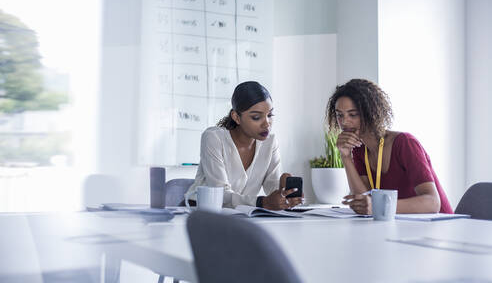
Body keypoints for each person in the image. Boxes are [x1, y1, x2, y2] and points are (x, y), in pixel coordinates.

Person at [326, 79, 453, 214]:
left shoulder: (405, 143)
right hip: (401, 227)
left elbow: (432, 203)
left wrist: (378, 206)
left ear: (371, 113)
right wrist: (345, 156)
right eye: (340, 115)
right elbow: (365, 203)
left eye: (353, 114)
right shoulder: (359, 149)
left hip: (438, 227)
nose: (344, 122)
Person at [186, 81, 303, 210]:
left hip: (242, 215)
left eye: (270, 115)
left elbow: (272, 189)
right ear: (236, 117)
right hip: (200, 212)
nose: (267, 124)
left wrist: (282, 191)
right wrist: (262, 203)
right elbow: (220, 195)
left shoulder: (270, 142)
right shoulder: (213, 138)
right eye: (256, 117)